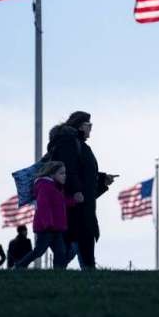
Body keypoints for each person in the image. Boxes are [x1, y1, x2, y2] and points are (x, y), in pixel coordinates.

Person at [47, 111, 115, 270]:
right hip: (74, 208)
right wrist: (77, 191)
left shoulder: (77, 144)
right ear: (80, 125)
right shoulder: (68, 142)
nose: (91, 128)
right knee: (82, 251)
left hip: (81, 207)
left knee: (71, 251)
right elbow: (69, 169)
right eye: (89, 125)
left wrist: (102, 180)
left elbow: (85, 176)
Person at [16, 161, 81, 269]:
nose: (64, 176)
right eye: (61, 173)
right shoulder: (45, 186)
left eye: (65, 173)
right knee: (39, 251)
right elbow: (43, 206)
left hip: (56, 228)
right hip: (46, 228)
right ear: (52, 174)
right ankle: (19, 266)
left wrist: (74, 200)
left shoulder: (55, 187)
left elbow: (61, 202)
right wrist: (48, 223)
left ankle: (58, 273)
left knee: (60, 252)